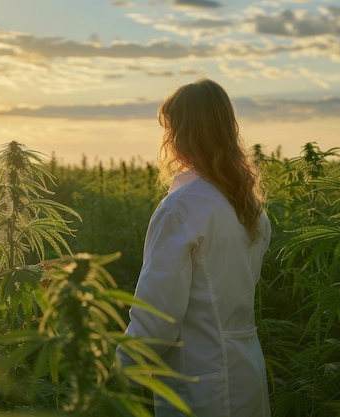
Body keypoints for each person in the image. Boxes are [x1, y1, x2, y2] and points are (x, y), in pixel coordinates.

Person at [116, 78, 271, 417]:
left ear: (183, 135)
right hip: (247, 372)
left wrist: (116, 370)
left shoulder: (181, 207)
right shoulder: (249, 206)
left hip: (200, 381)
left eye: (170, 129)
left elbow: (158, 316)